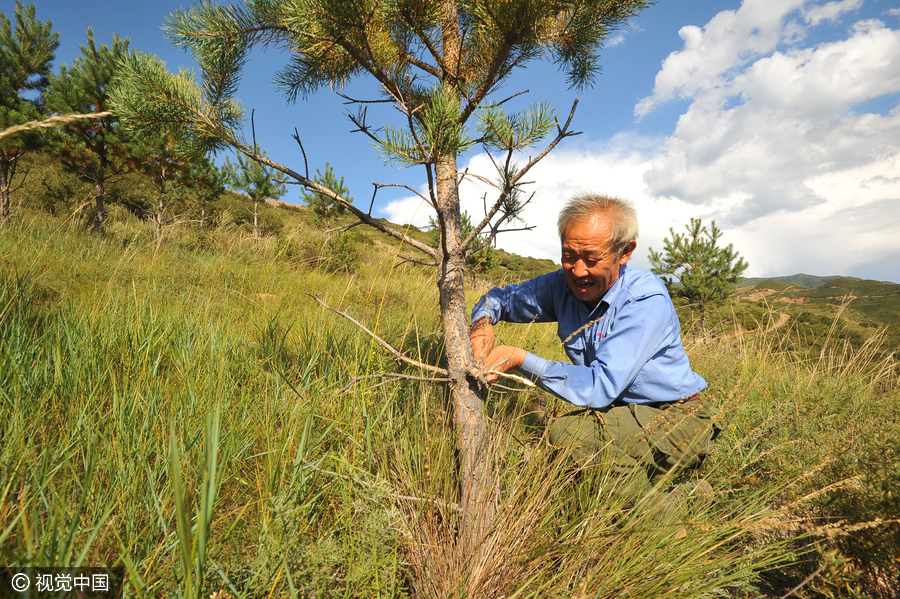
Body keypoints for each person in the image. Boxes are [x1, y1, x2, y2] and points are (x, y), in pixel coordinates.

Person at [470, 193, 715, 501]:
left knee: (569, 435)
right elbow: (500, 300)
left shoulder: (644, 300)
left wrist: (519, 359)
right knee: (576, 467)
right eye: (569, 256)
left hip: (679, 417)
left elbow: (601, 386)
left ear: (625, 252)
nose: (578, 271)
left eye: (592, 259)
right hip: (623, 415)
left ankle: (685, 505)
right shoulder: (561, 284)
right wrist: (482, 323)